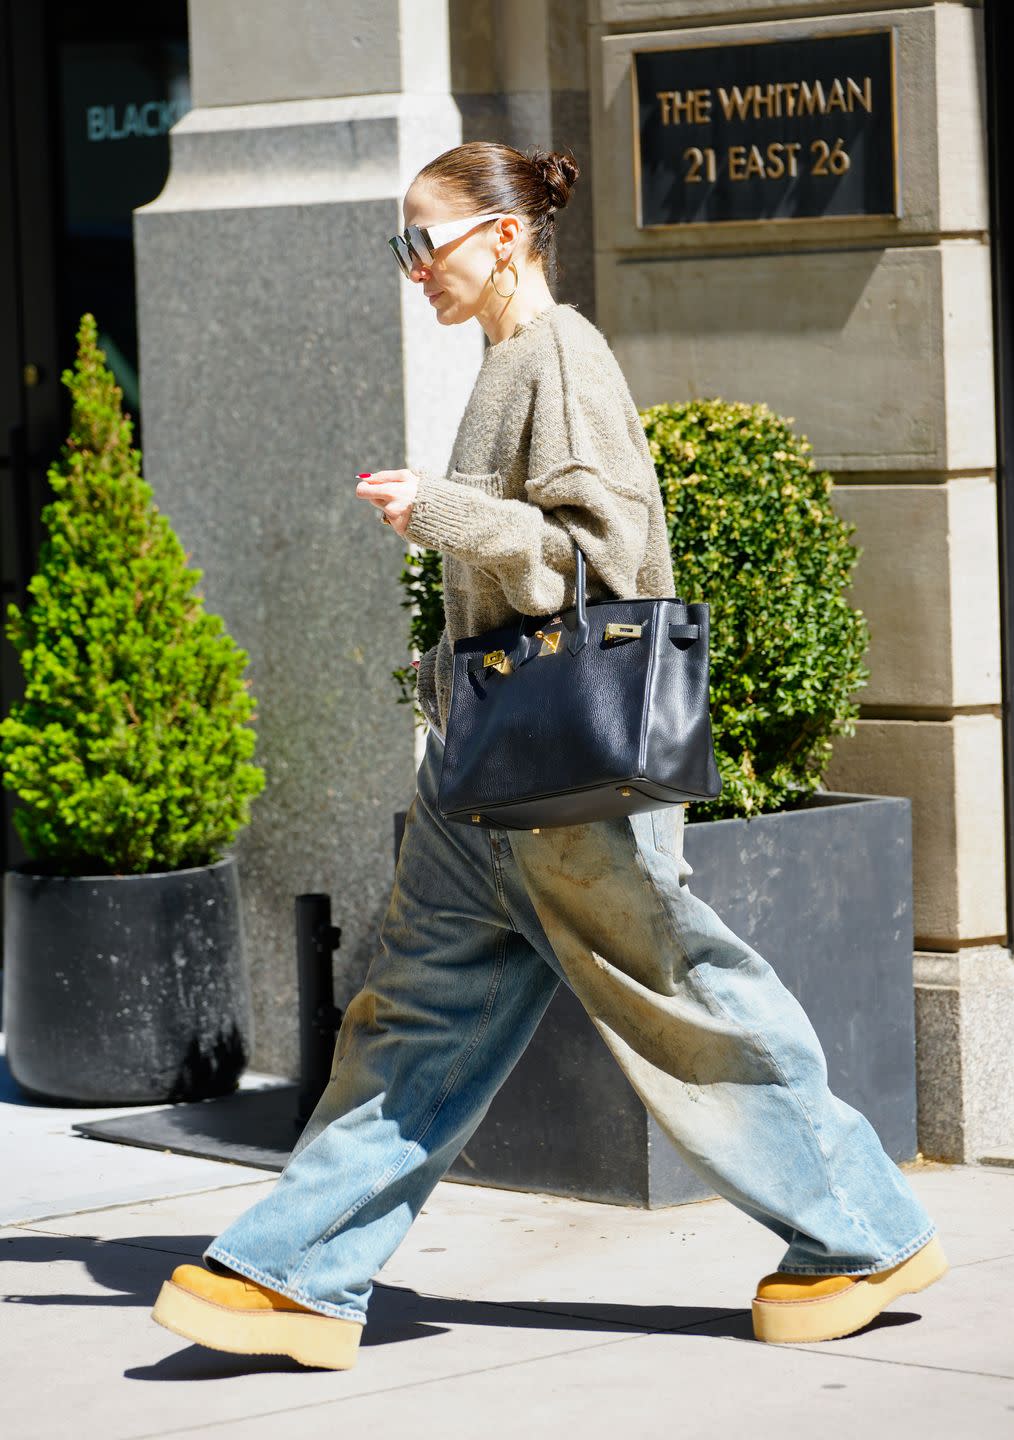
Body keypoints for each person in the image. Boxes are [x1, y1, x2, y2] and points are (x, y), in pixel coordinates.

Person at [150, 141, 947, 1370]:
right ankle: (298, 1273)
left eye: (428, 241)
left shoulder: (560, 359)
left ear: (505, 236)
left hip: (569, 790)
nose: (412, 268)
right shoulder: (505, 362)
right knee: (406, 1023)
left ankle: (865, 1232)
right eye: (399, 247)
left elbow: (602, 557)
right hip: (489, 782)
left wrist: (444, 516)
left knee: (692, 1012)